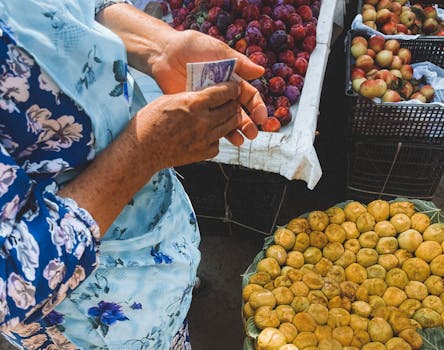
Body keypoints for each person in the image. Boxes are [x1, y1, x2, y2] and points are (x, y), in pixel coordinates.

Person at [0, 0, 267, 349]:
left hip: (159, 255)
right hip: (85, 318)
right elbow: (11, 282)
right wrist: (144, 151)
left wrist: (160, 45)